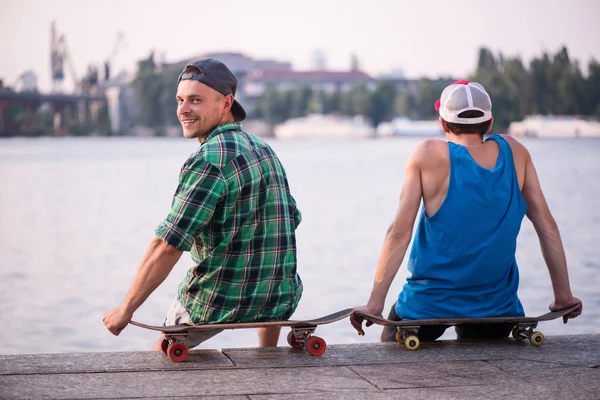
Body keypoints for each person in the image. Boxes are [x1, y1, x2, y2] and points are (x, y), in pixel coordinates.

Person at [351, 80, 582, 341]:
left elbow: (398, 232)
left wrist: (373, 306)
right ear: (490, 122)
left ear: (443, 124)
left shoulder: (427, 155)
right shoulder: (516, 153)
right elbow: (546, 226)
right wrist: (563, 296)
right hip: (497, 311)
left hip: (426, 308)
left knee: (389, 350)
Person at [103, 58, 303, 350]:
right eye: (180, 100)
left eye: (195, 100)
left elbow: (168, 245)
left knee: (160, 357)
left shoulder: (209, 161)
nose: (183, 110)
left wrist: (126, 309)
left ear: (225, 104)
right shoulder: (264, 149)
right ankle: (267, 358)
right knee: (267, 268)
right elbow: (289, 219)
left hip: (217, 302)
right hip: (279, 298)